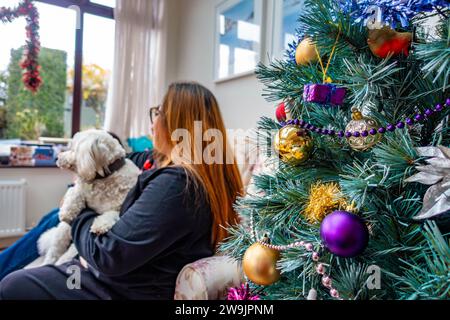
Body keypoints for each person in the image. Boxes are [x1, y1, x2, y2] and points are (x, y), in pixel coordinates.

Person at [0, 82, 244, 300]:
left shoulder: (177, 185)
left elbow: (109, 255)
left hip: (116, 287)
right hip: (126, 275)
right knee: (53, 217)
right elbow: (126, 158)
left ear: (176, 124)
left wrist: (77, 210)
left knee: (14, 285)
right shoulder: (194, 171)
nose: (153, 120)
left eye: (158, 112)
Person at [0, 133, 151, 282]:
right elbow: (117, 160)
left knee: (56, 217)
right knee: (53, 216)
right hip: (95, 200)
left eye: (157, 114)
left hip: (109, 218)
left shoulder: (160, 172)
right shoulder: (142, 157)